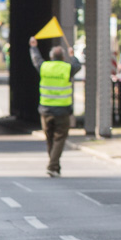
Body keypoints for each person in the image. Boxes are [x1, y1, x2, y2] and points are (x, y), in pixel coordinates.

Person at [29, 36, 81, 177]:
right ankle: (53, 166)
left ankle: (54, 166)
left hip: (46, 110)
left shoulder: (44, 67)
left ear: (51, 57)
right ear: (63, 57)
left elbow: (36, 59)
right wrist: (73, 55)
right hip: (62, 111)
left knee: (50, 138)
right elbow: (77, 66)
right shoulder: (67, 68)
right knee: (59, 139)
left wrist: (33, 47)